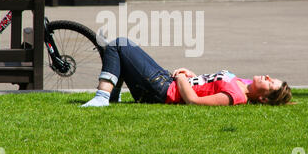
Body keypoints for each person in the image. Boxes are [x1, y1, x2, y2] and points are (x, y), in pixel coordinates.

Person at [81, 37, 292, 107]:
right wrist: (192, 74)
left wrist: (181, 78)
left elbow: (193, 101)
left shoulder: (235, 96)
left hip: (163, 89)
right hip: (166, 81)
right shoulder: (243, 83)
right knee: (121, 48)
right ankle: (109, 98)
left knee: (119, 45)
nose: (268, 77)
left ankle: (102, 98)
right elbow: (206, 86)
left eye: (271, 83)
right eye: (272, 78)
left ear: (263, 98)